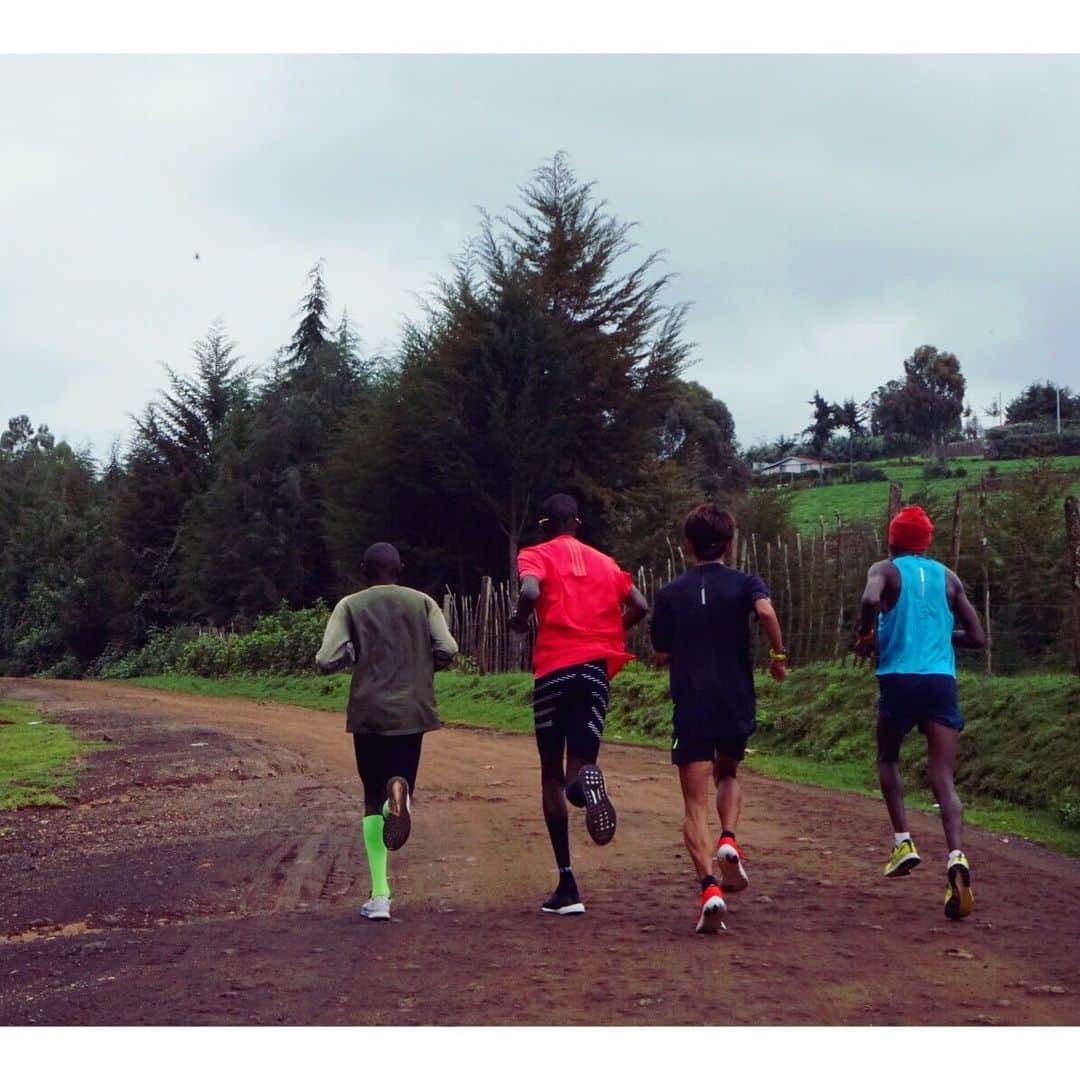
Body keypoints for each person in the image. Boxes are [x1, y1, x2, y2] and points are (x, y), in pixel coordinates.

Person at [508, 493, 649, 917]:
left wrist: (520, 619)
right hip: (594, 671)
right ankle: (584, 785)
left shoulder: (536, 554)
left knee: (550, 774)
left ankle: (567, 883)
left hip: (554, 669)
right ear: (578, 524)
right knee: (580, 765)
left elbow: (530, 589)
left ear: (545, 524)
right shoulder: (606, 563)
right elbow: (641, 605)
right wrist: (609, 635)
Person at [650, 505, 788, 934]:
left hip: (691, 702)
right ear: (729, 544)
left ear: (686, 545)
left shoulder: (671, 593)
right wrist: (778, 656)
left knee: (693, 803)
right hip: (735, 699)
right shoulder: (746, 582)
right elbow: (765, 613)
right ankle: (729, 838)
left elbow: (662, 653)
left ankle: (709, 887)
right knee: (728, 773)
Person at [853, 505, 986, 921]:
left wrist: (864, 632)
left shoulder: (886, 570)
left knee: (887, 757)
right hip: (940, 682)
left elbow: (869, 598)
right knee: (943, 776)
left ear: (892, 541)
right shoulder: (949, 578)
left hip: (898, 679)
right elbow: (979, 638)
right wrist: (940, 635)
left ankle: (903, 841)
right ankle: (956, 856)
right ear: (927, 542)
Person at [316, 542, 458, 921]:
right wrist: (424, 667)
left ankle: (380, 896)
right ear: (401, 567)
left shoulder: (350, 605)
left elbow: (325, 658)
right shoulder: (423, 602)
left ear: (365, 571)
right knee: (401, 779)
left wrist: (353, 656)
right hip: (413, 708)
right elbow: (448, 647)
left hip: (369, 710)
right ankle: (399, 794)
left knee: (370, 795)